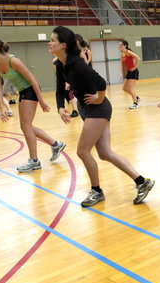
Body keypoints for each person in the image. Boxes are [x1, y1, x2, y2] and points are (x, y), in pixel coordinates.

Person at [50, 26, 154, 207]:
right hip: (91, 109)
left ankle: (96, 191)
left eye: (52, 40)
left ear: (63, 45)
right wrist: (60, 107)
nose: (49, 43)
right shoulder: (61, 65)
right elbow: (60, 89)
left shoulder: (76, 63)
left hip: (98, 109)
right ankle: (141, 182)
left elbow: (100, 81)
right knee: (105, 153)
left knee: (82, 151)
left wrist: (100, 97)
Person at [0, 36, 66, 173]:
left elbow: (32, 79)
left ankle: (34, 161)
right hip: (23, 91)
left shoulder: (12, 60)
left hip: (31, 90)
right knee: (26, 126)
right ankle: (55, 145)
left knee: (25, 125)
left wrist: (42, 101)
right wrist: (2, 107)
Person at [119, 40, 141, 109]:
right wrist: (120, 73)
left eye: (121, 44)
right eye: (119, 45)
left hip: (133, 72)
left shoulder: (128, 52)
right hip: (128, 72)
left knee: (131, 88)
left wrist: (135, 67)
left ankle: (135, 103)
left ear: (125, 45)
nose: (119, 46)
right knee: (124, 88)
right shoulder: (122, 54)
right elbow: (121, 64)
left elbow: (138, 58)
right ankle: (136, 97)